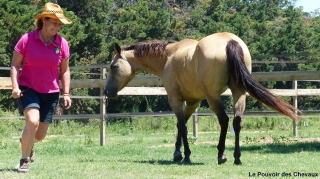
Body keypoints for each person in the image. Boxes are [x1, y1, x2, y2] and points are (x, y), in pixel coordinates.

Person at [10, 2, 72, 173]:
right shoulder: (27, 39)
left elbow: (65, 70)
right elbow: (15, 65)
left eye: (60, 23)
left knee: (40, 136)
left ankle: (27, 143)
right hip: (28, 88)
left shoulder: (62, 44)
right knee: (32, 121)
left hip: (51, 93)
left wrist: (66, 93)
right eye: (54, 22)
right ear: (44, 20)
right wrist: (15, 86)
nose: (58, 26)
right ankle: (24, 160)